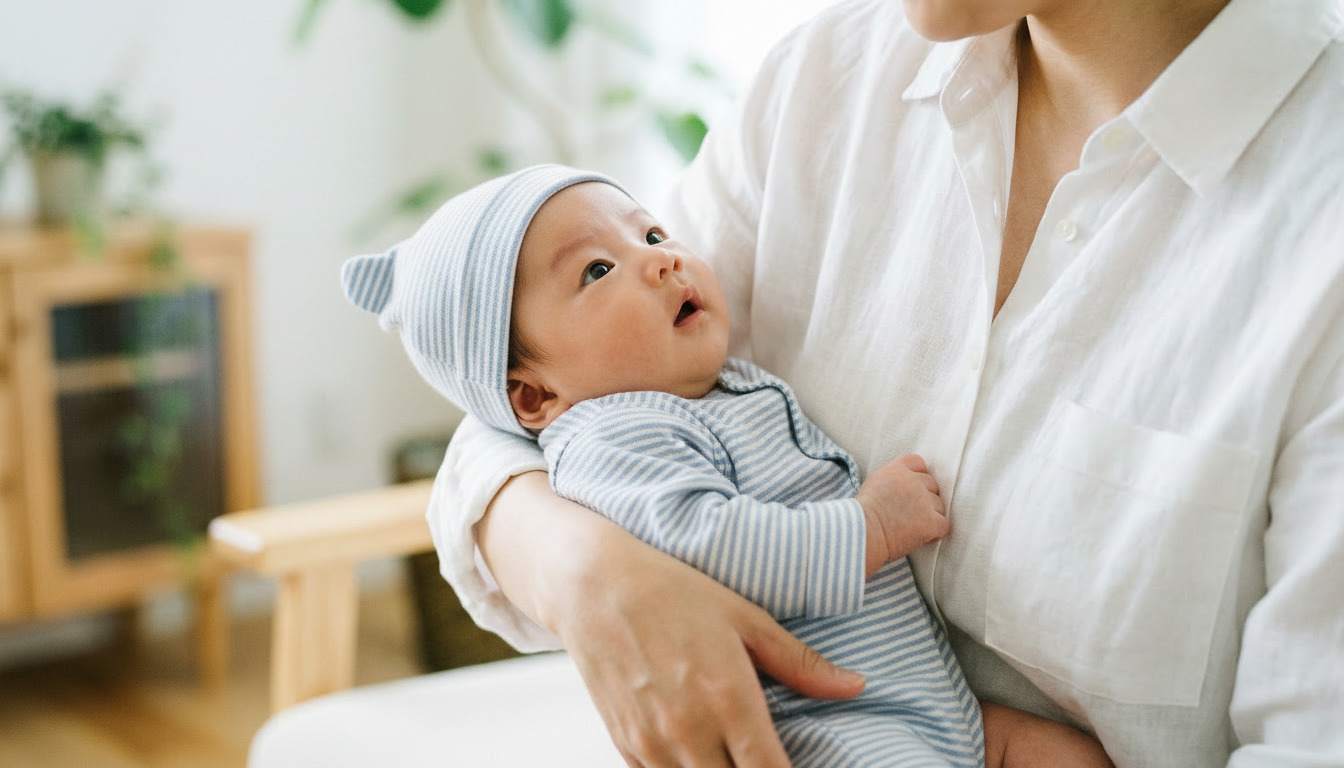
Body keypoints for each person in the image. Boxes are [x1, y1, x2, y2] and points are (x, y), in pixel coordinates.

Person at [432, 0, 1344, 765]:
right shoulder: (828, 81)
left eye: (651, 242)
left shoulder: (1317, 217)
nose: (656, 261)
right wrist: (592, 578)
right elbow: (541, 396)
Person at [341, 163, 1114, 767]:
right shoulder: (613, 437)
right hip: (822, 731)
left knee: (1067, 756)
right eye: (596, 272)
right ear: (535, 394)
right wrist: (869, 528)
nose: (660, 264)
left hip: (926, 705)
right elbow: (708, 545)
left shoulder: (715, 385)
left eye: (650, 236)